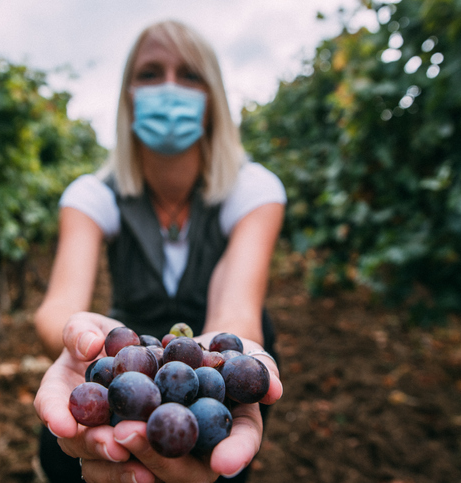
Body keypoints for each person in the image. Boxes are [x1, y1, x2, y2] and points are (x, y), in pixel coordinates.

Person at [33, 19, 286, 483]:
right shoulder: (94, 195)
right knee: (62, 457)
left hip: (207, 349)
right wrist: (79, 336)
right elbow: (57, 309)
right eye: (150, 73)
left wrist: (224, 361)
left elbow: (237, 314)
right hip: (134, 352)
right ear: (128, 96)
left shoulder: (251, 190)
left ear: (213, 101)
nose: (169, 88)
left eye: (189, 74)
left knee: (216, 453)